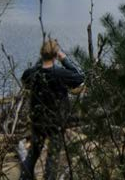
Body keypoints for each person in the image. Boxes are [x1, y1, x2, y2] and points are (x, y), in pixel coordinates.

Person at [19, 38, 84, 180]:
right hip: (56, 122)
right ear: (56, 55)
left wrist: (40, 60)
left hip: (37, 121)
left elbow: (25, 81)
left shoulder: (31, 73)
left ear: (41, 54)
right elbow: (79, 77)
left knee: (33, 154)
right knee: (52, 158)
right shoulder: (60, 73)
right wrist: (65, 59)